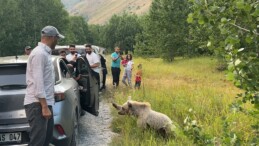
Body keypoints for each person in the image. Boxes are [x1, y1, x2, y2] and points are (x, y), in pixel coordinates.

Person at [24, 25, 64, 146]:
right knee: (38, 142)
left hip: (43, 104)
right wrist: (44, 106)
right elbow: (38, 82)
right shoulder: (39, 54)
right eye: (57, 38)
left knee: (45, 141)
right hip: (38, 105)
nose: (57, 41)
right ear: (51, 37)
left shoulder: (45, 54)